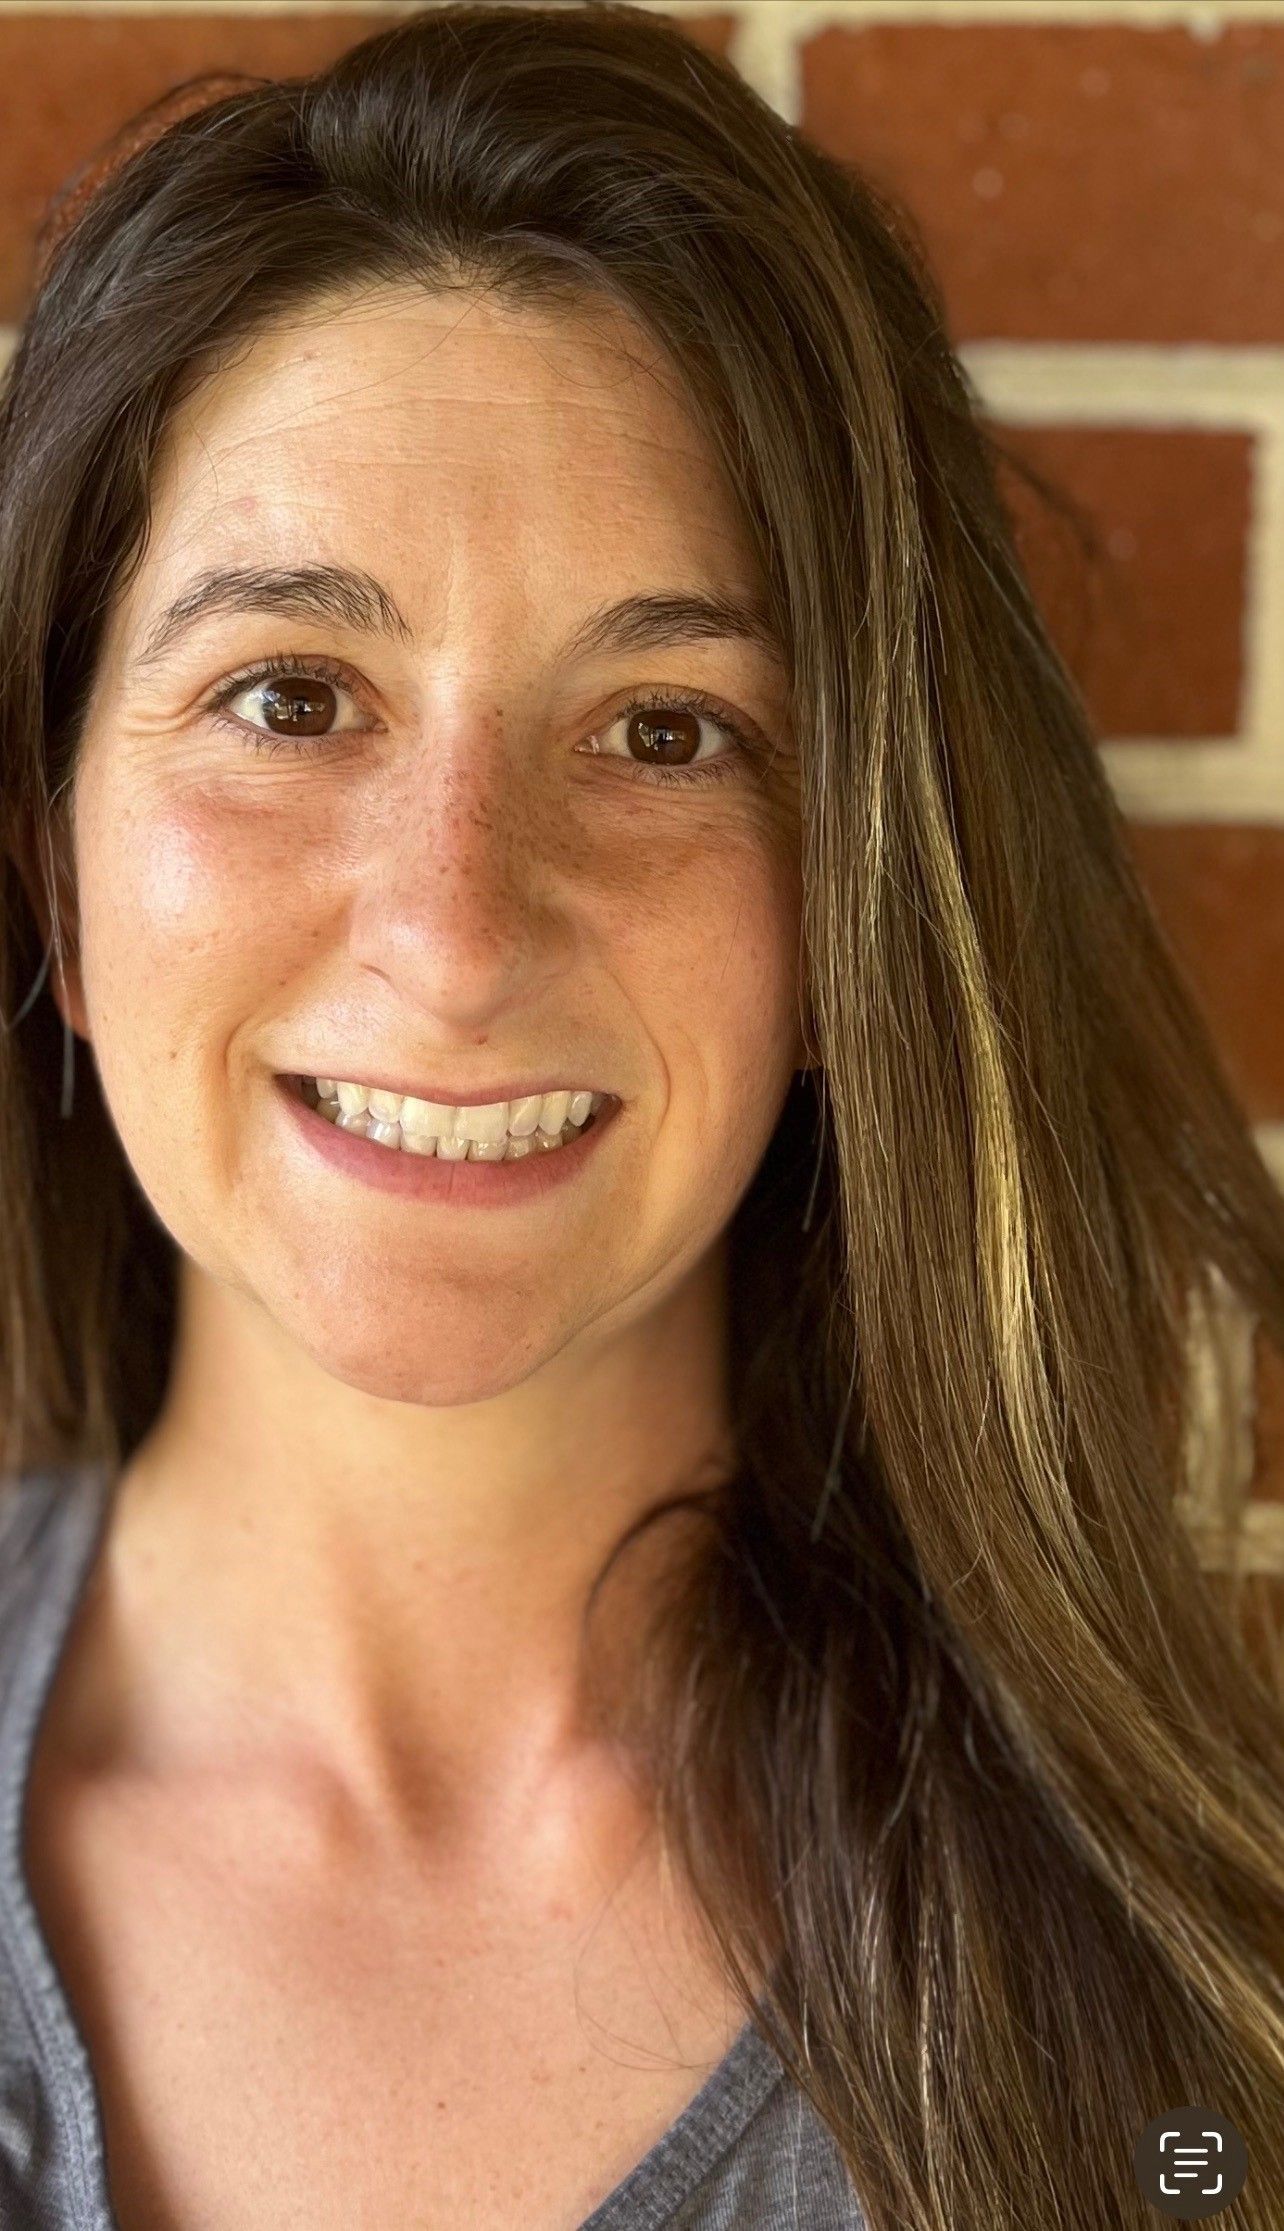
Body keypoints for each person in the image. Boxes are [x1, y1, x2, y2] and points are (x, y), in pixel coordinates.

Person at [0, 6, 1281, 2227]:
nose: (458, 926)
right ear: (54, 855)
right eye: (291, 697)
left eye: (668, 732)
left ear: (853, 915)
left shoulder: (1190, 2032)